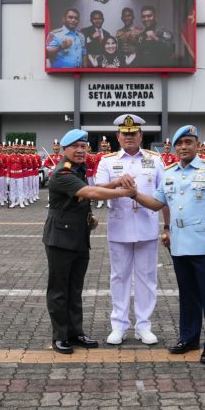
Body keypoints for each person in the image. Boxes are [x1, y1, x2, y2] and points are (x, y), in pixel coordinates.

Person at [132, 124, 205, 365]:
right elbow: (157, 203)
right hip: (179, 245)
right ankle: (188, 338)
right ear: (175, 148)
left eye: (188, 142)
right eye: (180, 144)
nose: (184, 147)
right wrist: (133, 194)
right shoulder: (169, 172)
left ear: (197, 145)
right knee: (188, 295)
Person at [43, 128, 136, 355]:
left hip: (78, 236)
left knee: (75, 289)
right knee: (59, 291)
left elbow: (87, 193)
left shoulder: (77, 170)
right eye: (75, 147)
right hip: (60, 240)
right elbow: (90, 193)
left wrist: (113, 185)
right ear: (64, 150)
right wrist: (124, 193)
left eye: (84, 147)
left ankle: (76, 333)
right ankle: (60, 337)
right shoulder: (63, 173)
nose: (80, 151)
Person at [95, 114, 169, 346]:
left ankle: (143, 326)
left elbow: (165, 195)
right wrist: (116, 184)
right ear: (118, 136)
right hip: (119, 227)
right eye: (125, 134)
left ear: (140, 135)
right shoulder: (107, 161)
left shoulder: (155, 160)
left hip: (147, 226)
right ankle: (119, 325)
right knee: (119, 277)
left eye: (133, 133)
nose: (129, 137)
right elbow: (98, 189)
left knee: (147, 278)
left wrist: (167, 227)